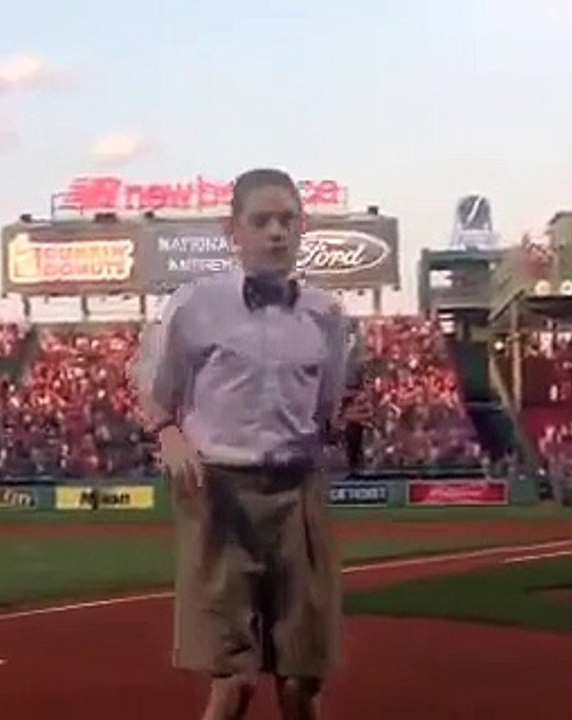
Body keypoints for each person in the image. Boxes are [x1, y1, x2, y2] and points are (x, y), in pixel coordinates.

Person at [133, 168, 350, 720]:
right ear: (233, 230)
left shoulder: (326, 316)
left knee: (303, 678)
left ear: (304, 227)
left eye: (288, 220)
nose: (277, 232)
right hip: (218, 490)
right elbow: (153, 388)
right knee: (234, 678)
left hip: (298, 489)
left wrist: (345, 426)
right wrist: (168, 433)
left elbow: (327, 412)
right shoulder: (194, 305)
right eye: (262, 221)